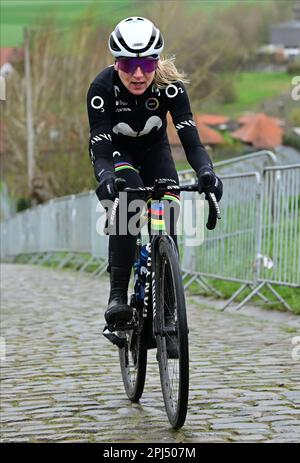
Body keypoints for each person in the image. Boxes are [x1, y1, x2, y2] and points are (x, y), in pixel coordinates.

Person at [87, 17, 223, 327]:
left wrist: (206, 172)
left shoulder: (170, 87)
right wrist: (106, 177)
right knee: (130, 205)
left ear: (157, 62)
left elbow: (192, 142)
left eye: (147, 64)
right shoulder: (101, 88)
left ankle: (169, 311)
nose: (137, 73)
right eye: (127, 63)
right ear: (116, 62)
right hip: (118, 154)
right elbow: (101, 145)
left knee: (168, 213)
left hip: (155, 152)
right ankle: (118, 297)